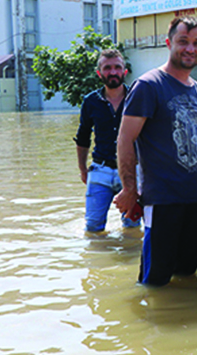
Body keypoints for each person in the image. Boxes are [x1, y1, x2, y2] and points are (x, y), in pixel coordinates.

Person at [113, 17, 197, 286]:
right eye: (183, 42)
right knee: (156, 280)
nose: (190, 49)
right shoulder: (149, 85)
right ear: (169, 43)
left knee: (188, 273)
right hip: (163, 200)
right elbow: (125, 139)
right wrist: (129, 189)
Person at [74, 49, 141, 232]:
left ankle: (129, 260)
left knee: (132, 227)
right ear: (99, 73)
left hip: (130, 171)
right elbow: (83, 137)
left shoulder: (136, 99)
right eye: (107, 68)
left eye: (117, 67)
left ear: (124, 71)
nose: (113, 72)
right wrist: (82, 170)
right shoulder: (90, 101)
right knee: (93, 228)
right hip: (100, 169)